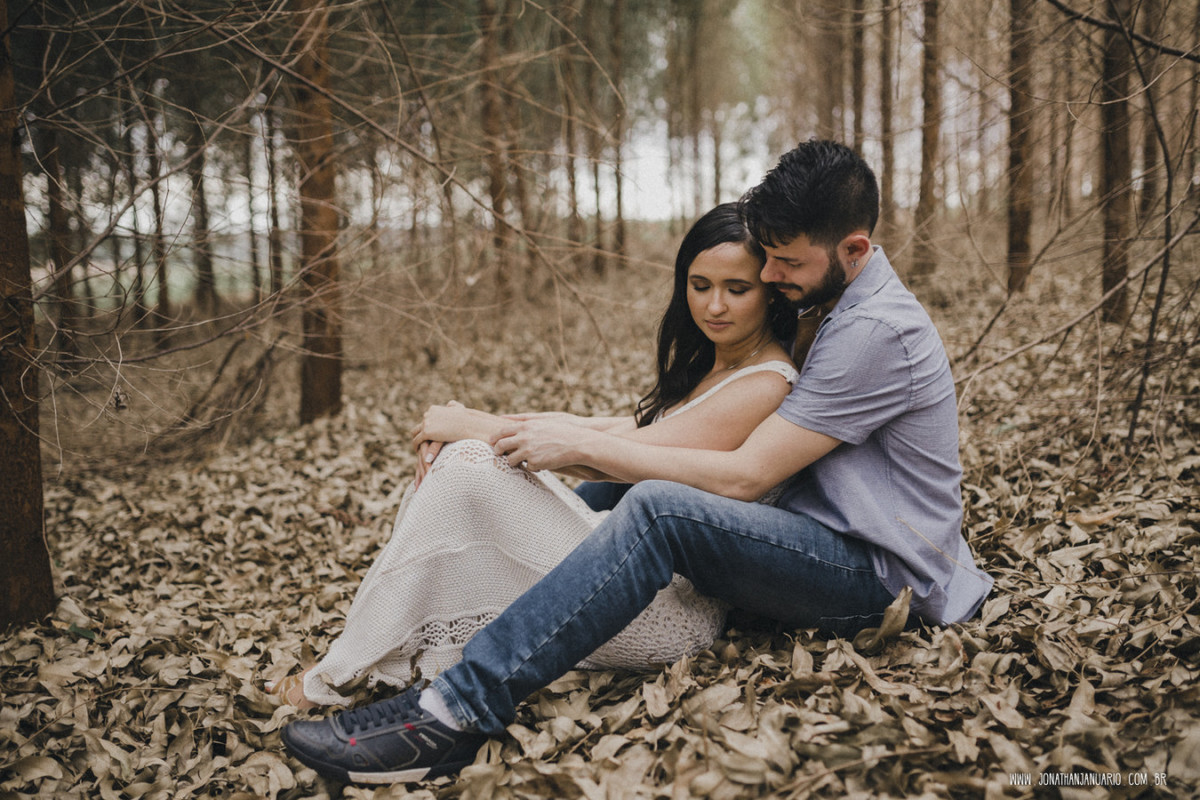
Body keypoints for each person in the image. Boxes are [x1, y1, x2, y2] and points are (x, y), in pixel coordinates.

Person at [280, 140, 994, 785]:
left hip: (880, 573)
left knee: (657, 507)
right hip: (831, 535)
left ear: (855, 248)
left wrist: (572, 446)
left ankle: (453, 713)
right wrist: (510, 438)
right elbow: (667, 434)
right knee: (593, 492)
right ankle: (414, 648)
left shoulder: (872, 331)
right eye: (764, 260)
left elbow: (746, 474)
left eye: (785, 263)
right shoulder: (833, 300)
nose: (771, 274)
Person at [265, 203, 799, 709]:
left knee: (469, 465)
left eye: (737, 289)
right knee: (466, 454)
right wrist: (479, 419)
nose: (714, 306)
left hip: (663, 610)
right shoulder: (714, 364)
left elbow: (622, 456)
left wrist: (479, 429)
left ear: (771, 293)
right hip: (626, 570)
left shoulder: (765, 383)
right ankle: (378, 657)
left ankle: (338, 673)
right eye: (700, 286)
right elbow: (607, 429)